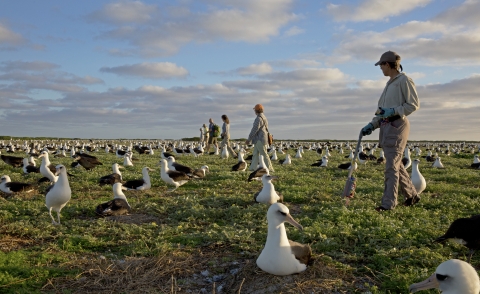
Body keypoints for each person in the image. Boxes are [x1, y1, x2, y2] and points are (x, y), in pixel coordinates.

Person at [361, 51, 420, 212]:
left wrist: (393, 111)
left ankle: (388, 205)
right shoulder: (389, 84)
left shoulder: (404, 81)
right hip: (386, 127)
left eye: (381, 65)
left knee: (391, 167)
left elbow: (413, 105)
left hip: (397, 125)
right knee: (396, 165)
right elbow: (381, 112)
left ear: (387, 64)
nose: (380, 68)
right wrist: (372, 125)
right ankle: (412, 195)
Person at [246, 104, 274, 172]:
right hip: (261, 139)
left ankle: (270, 169)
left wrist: (249, 139)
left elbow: (254, 130)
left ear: (256, 110)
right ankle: (252, 168)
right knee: (255, 154)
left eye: (254, 110)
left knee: (264, 154)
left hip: (259, 139)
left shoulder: (258, 118)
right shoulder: (264, 117)